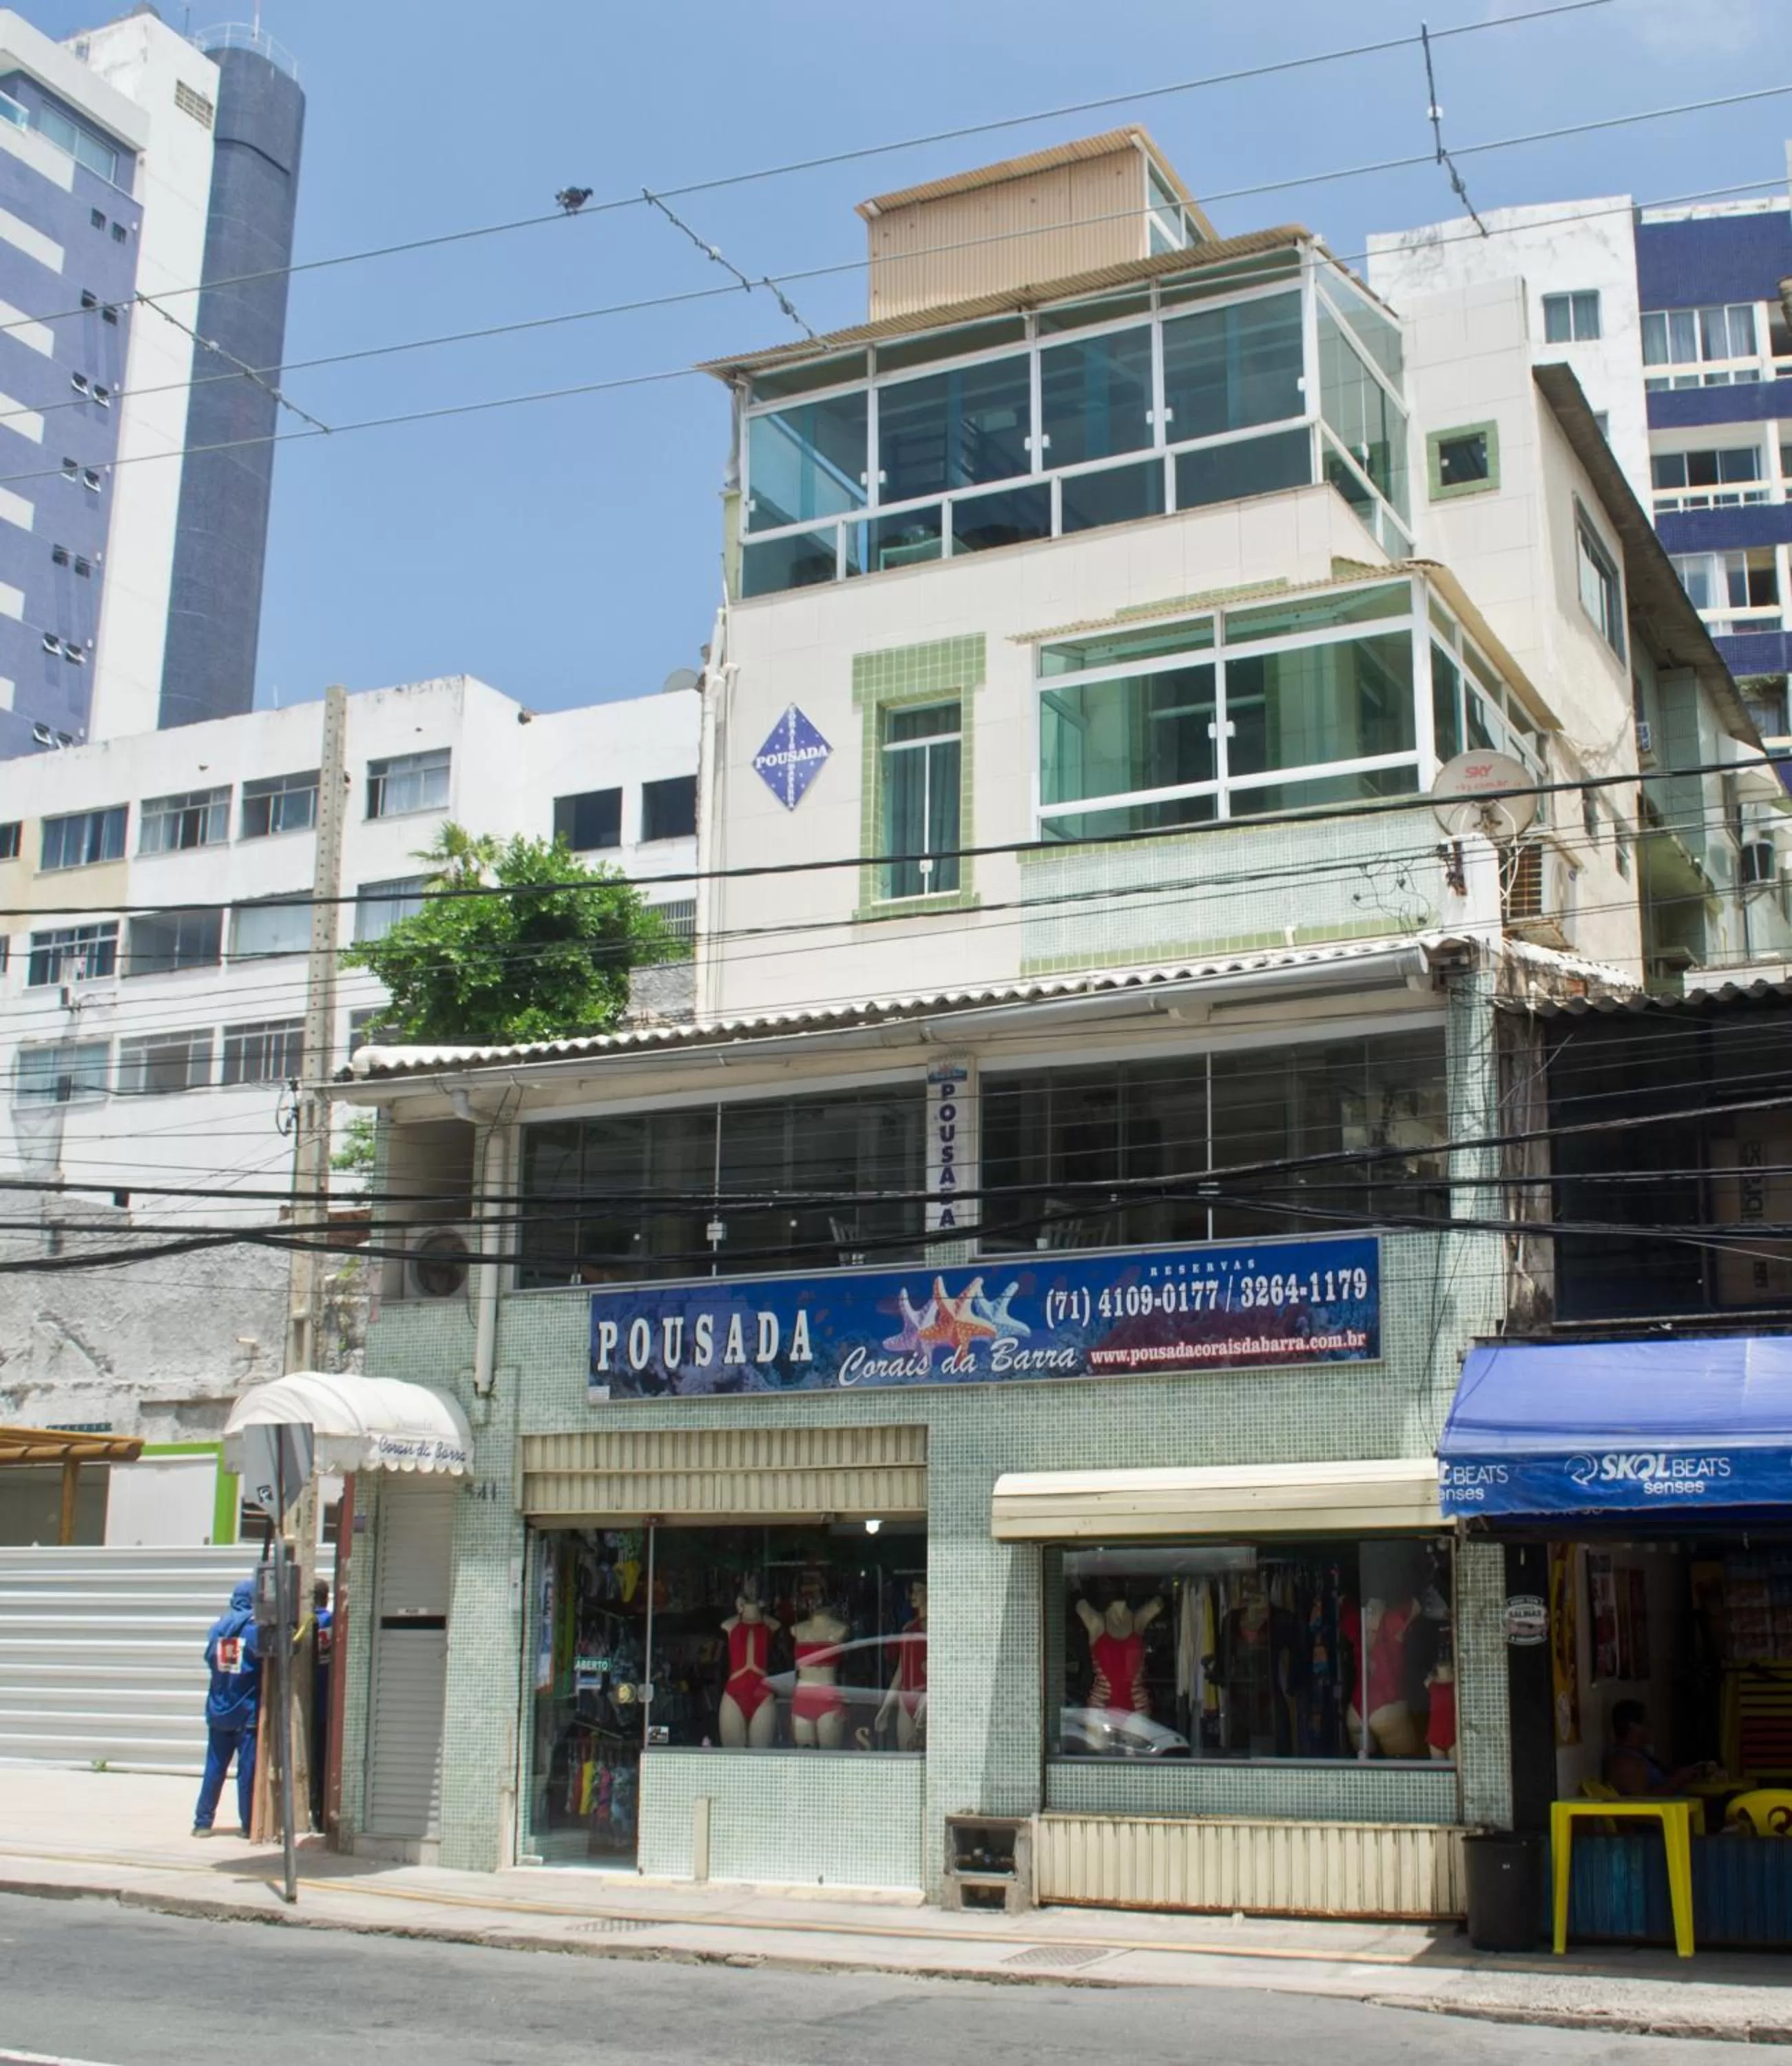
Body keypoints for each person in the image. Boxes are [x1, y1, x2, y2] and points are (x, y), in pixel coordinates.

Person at [193, 1578, 261, 1837]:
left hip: (218, 1710)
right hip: (246, 1712)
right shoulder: (254, 1631)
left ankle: (202, 1822)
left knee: (214, 1768)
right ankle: (247, 1825)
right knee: (247, 1772)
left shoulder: (217, 1629)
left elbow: (210, 1660)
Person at [1603, 1698, 1707, 1797]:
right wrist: (1677, 1781)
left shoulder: (1641, 1754)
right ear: (1633, 1726)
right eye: (1646, 1722)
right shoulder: (1626, 1762)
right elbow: (1643, 1803)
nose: (1650, 1727)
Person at [310, 1578, 333, 1833]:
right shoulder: (331, 1622)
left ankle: (313, 1810)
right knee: (322, 1760)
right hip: (326, 1705)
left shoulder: (303, 1624)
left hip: (302, 1705)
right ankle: (319, 1814)